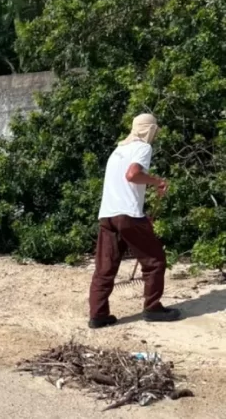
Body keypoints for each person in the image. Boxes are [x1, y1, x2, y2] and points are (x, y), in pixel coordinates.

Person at [88, 113, 180, 329]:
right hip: (127, 215)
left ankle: (98, 315)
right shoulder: (143, 148)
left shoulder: (117, 151)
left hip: (107, 215)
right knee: (155, 261)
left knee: (105, 266)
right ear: (149, 130)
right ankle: (153, 308)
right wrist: (157, 181)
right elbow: (132, 175)